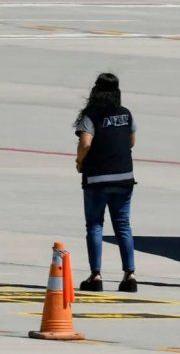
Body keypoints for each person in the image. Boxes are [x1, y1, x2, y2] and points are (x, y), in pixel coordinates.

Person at [74, 73, 138, 293]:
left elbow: (85, 143)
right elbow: (131, 141)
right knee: (123, 224)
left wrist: (80, 161)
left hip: (97, 178)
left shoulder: (91, 116)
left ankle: (96, 275)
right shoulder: (126, 114)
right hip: (124, 177)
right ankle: (130, 274)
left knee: (95, 225)